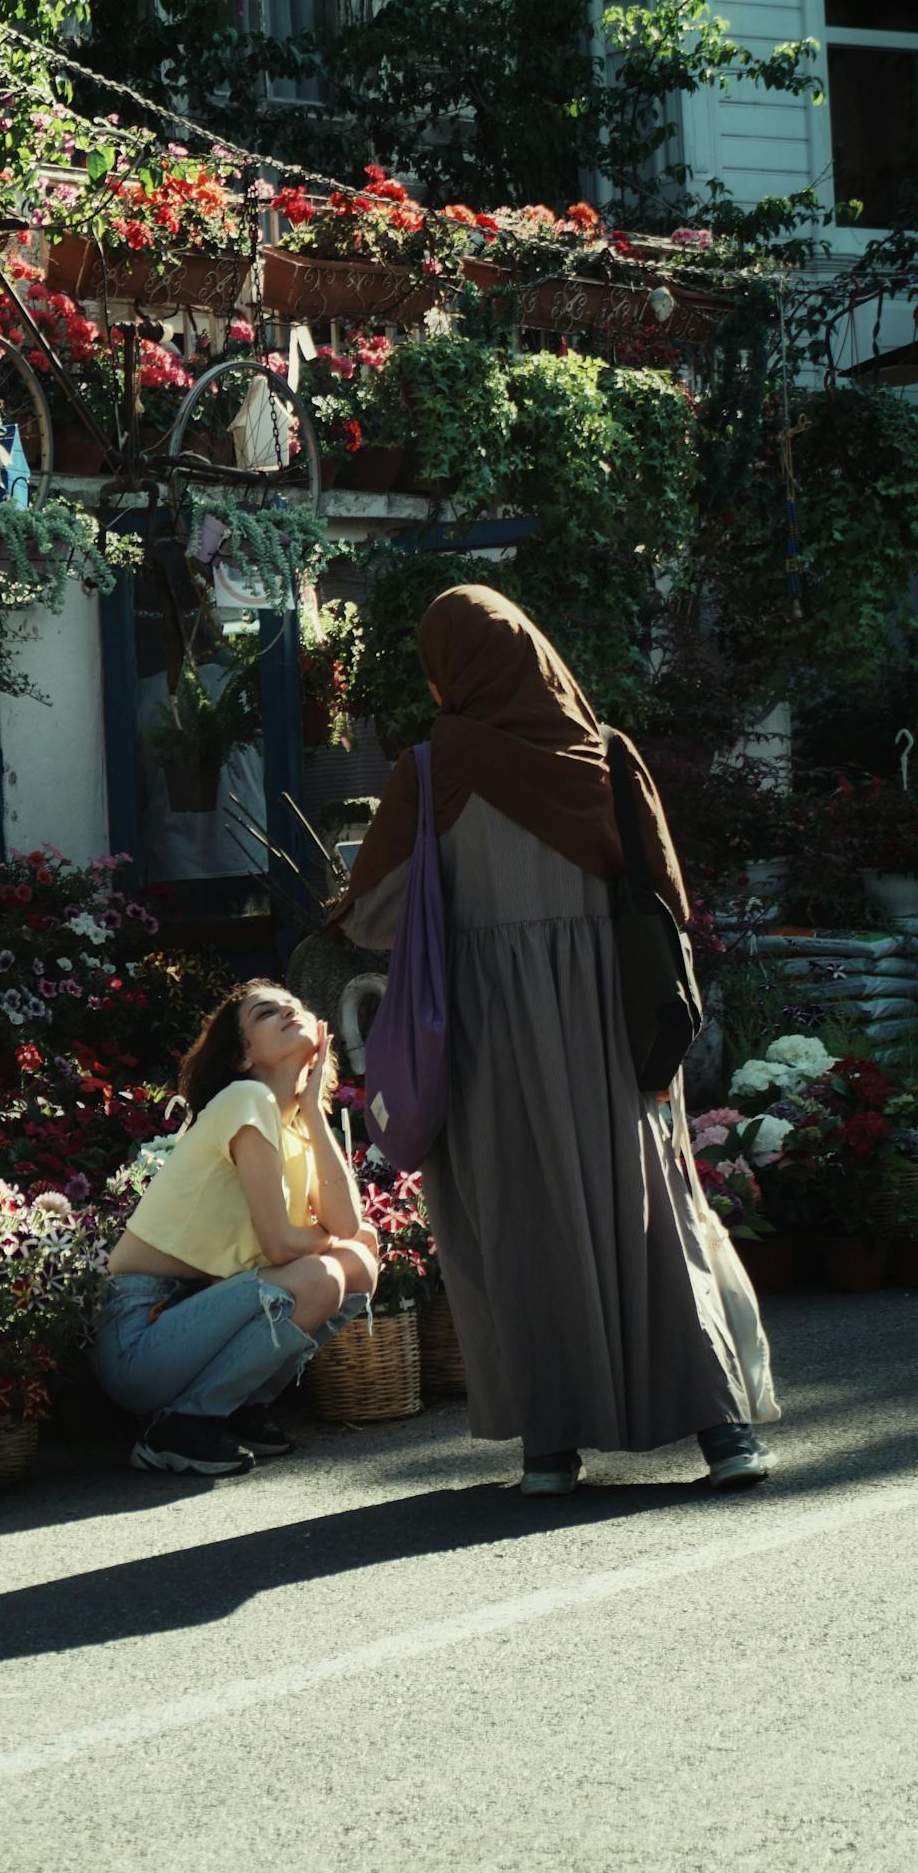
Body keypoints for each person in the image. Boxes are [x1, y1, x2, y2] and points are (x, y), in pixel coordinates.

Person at [332, 584, 780, 1497]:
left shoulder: (433, 767)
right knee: (652, 1211)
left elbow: (374, 915)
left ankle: (552, 1449)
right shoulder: (608, 755)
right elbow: (665, 893)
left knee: (521, 1219)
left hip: (495, 1032)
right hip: (617, 1023)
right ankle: (722, 1430)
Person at [93, 984, 381, 1476]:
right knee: (319, 1275)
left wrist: (312, 1109)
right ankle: (180, 1426)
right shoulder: (245, 1099)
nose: (290, 1011)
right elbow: (282, 1245)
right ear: (243, 1056)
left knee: (357, 1261)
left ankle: (234, 1407)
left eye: (296, 1005)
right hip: (142, 1337)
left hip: (194, 1321)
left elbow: (352, 1229)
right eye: (268, 1012)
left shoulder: (291, 1122)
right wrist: (326, 1241)